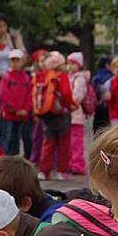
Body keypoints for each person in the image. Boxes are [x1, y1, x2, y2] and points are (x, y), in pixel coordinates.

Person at [33, 51, 76, 181]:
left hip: (47, 115)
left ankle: (43, 171)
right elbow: (66, 94)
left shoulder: (43, 76)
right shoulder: (62, 76)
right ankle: (61, 171)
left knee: (48, 144)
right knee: (63, 145)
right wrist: (72, 105)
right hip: (61, 115)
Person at [0, 49, 32, 157]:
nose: (15, 63)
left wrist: (25, 110)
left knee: (16, 139)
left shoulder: (26, 78)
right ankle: (4, 160)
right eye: (13, 61)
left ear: (23, 62)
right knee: (6, 138)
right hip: (8, 114)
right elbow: (4, 94)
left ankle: (14, 161)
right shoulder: (6, 76)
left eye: (18, 60)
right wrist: (15, 110)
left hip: (21, 115)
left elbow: (29, 96)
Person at [66, 51, 90, 175]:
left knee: (76, 142)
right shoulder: (69, 77)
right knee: (70, 141)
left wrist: (68, 101)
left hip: (75, 114)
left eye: (73, 63)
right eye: (68, 63)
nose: (69, 66)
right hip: (70, 114)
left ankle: (77, 164)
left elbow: (78, 96)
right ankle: (71, 162)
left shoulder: (79, 78)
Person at [29, 50, 47, 166]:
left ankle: (47, 159)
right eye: (41, 61)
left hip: (48, 111)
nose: (43, 64)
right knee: (37, 137)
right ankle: (35, 158)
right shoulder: (35, 76)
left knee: (48, 138)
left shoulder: (52, 75)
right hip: (38, 111)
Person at [91, 55, 113, 134]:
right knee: (107, 130)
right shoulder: (111, 77)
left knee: (97, 130)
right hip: (108, 107)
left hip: (97, 107)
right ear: (107, 65)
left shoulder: (95, 77)